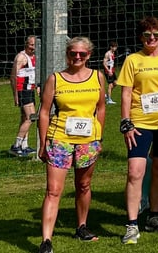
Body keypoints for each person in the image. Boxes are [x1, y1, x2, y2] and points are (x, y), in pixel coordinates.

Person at [117, 16, 158, 244]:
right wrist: (126, 122)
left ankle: (154, 216)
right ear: (141, 37)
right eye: (147, 35)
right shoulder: (132, 60)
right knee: (135, 172)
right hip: (140, 123)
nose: (152, 39)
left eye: (156, 35)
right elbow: (126, 93)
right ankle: (132, 224)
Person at [37, 36, 107, 253]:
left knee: (83, 185)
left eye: (82, 54)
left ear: (89, 55)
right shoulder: (55, 79)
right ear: (67, 54)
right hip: (60, 139)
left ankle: (82, 227)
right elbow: (44, 112)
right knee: (53, 190)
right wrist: (43, 143)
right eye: (73, 53)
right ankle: (46, 241)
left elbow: (101, 108)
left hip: (88, 140)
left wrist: (99, 137)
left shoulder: (98, 77)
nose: (77, 57)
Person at [10, 35, 38, 157]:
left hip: (30, 90)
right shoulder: (21, 57)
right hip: (22, 90)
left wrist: (37, 87)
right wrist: (15, 95)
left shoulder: (34, 57)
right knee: (31, 117)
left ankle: (24, 146)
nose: (33, 47)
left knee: (24, 118)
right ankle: (16, 146)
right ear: (26, 44)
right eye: (31, 45)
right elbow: (13, 77)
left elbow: (33, 74)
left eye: (35, 45)